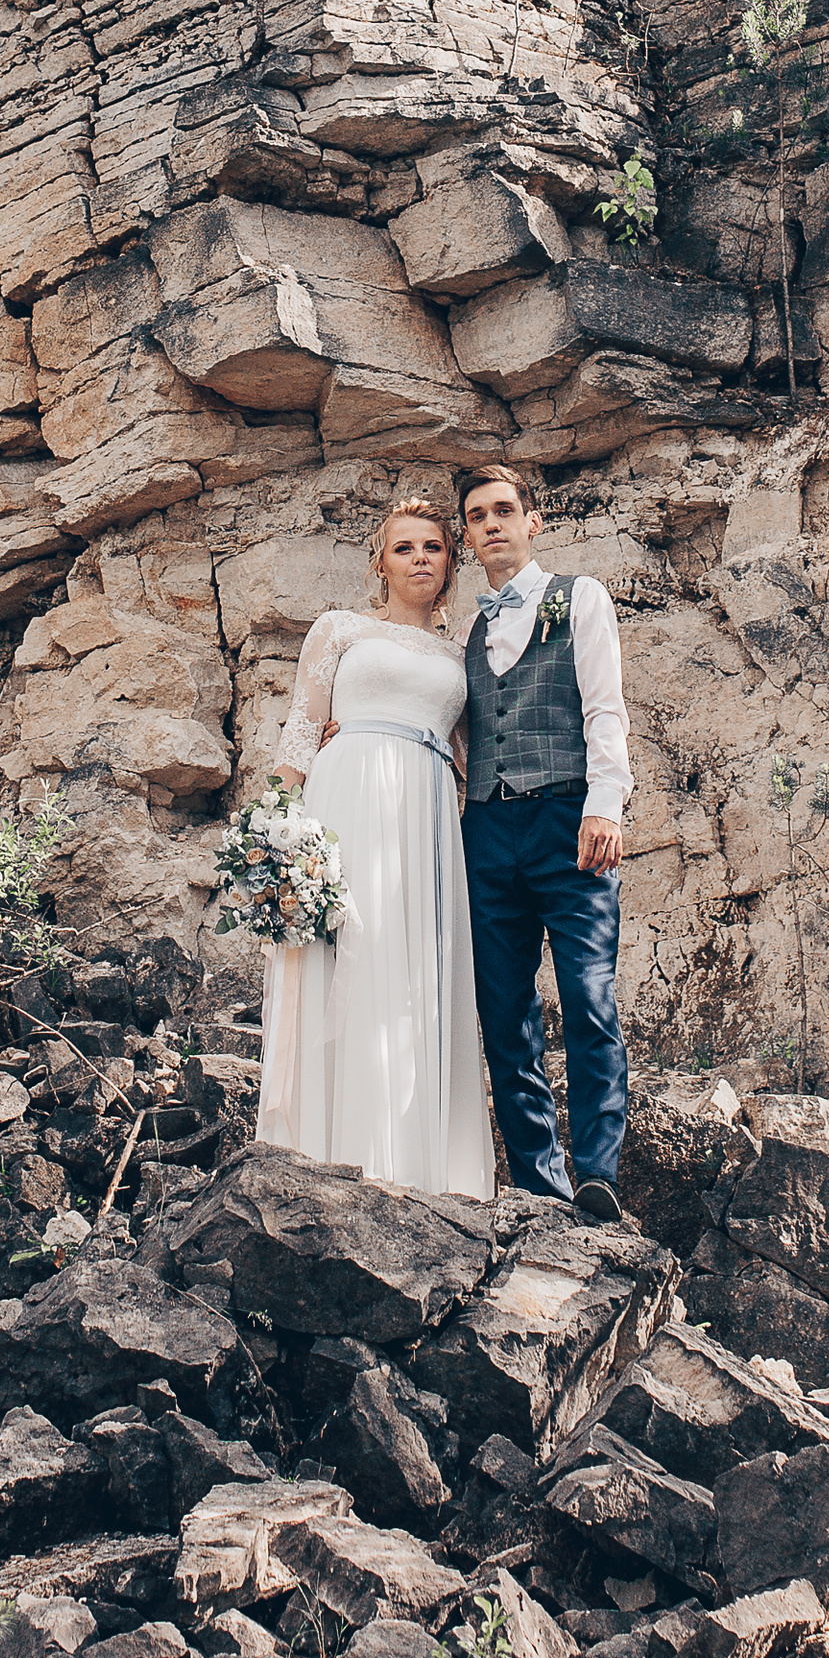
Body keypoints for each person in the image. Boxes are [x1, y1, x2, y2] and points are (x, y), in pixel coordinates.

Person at [257, 498, 499, 1199]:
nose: (420, 557)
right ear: (380, 563)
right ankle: (322, 1148)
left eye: (433, 547)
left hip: (422, 812)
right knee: (339, 956)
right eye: (404, 548)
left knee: (408, 971)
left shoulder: (462, 658)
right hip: (345, 795)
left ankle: (409, 1163)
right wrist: (275, 829)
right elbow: (301, 733)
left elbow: (468, 752)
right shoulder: (341, 629)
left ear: (451, 564)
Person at [457, 463, 630, 1221]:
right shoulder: (466, 634)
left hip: (569, 821)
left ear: (533, 521)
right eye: (476, 516)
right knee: (504, 1014)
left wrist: (606, 805)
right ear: (466, 537)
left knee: (589, 999)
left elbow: (604, 709)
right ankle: (538, 1182)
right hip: (487, 830)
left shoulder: (579, 597)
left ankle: (597, 1174)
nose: (491, 523)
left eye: (504, 510)